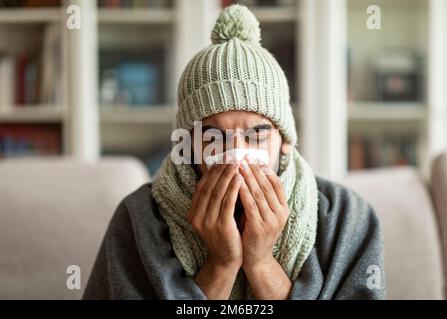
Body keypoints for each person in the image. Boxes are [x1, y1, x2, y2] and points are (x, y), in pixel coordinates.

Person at [83, 4, 385, 300]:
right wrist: (222, 263)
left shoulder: (348, 218)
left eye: (257, 135)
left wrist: (261, 261)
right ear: (188, 147)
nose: (236, 155)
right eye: (214, 136)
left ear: (285, 142)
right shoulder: (137, 221)